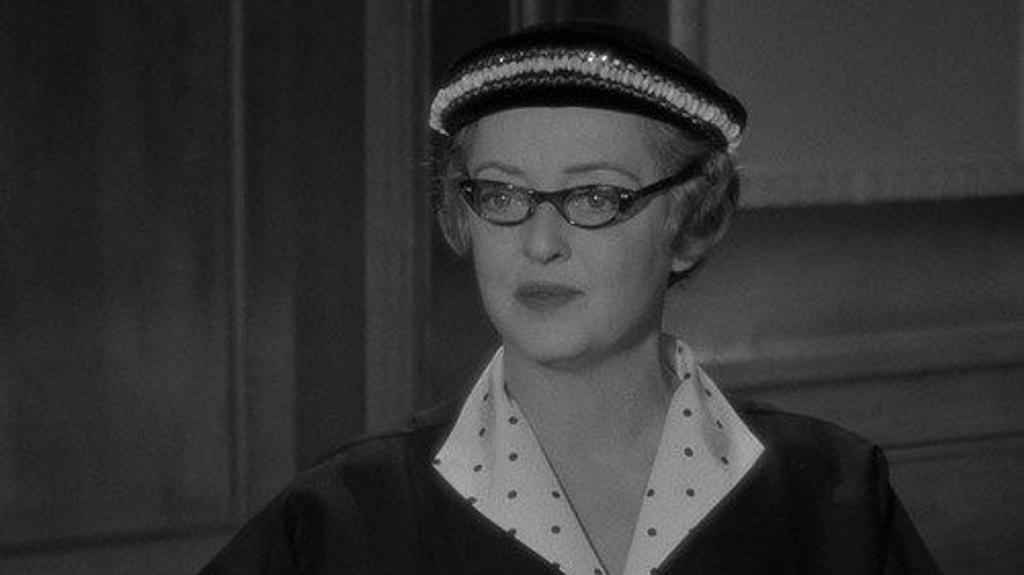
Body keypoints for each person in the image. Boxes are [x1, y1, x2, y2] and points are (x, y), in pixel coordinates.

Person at [199, 21, 942, 575]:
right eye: (502, 194)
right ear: (462, 216)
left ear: (692, 224)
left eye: (595, 196)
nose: (540, 243)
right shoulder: (347, 517)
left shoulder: (832, 495)